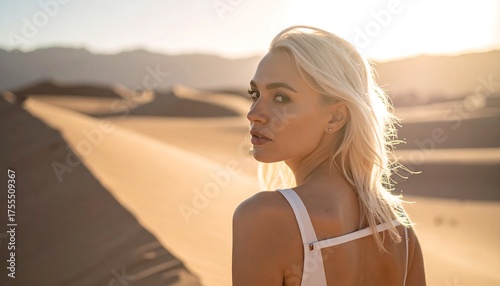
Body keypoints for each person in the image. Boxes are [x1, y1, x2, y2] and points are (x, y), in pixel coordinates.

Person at [232, 26, 426, 286]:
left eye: (280, 97)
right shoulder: (397, 225)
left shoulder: (263, 217)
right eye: (255, 94)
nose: (254, 113)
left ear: (335, 116)